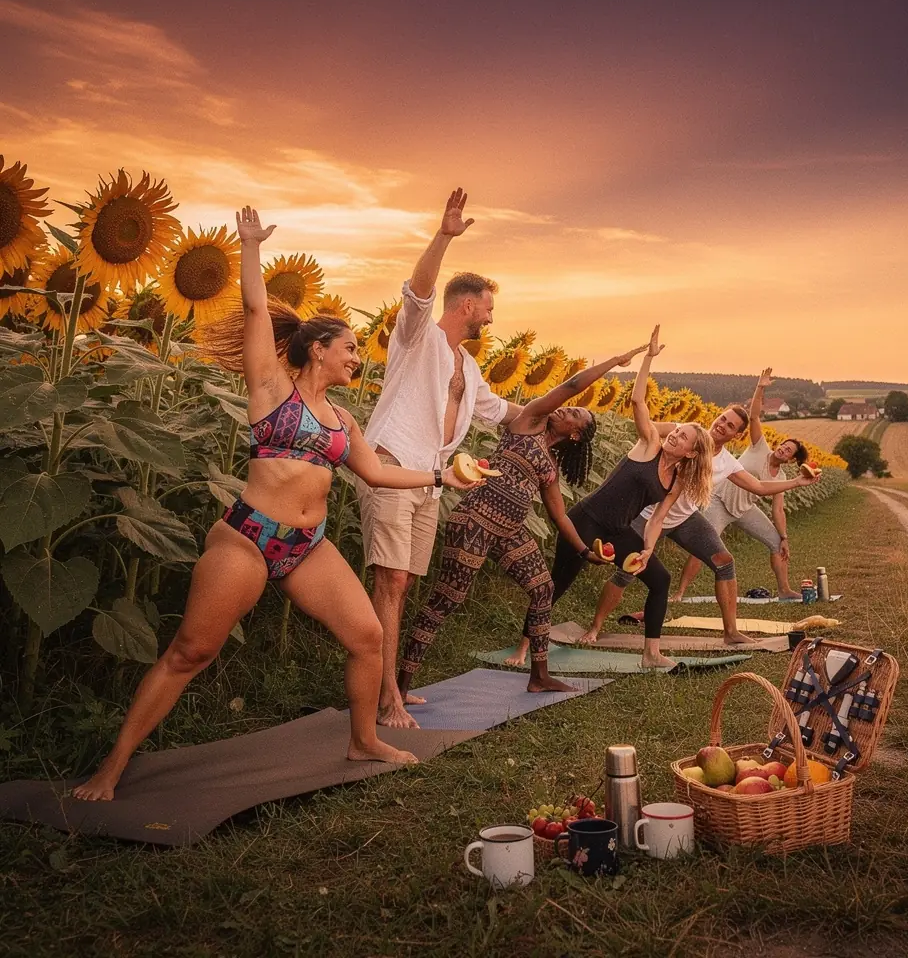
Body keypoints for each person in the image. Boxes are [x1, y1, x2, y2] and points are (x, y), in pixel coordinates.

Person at [72, 207, 478, 802]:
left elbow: (378, 473)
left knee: (367, 636)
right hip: (249, 538)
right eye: (350, 348)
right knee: (192, 651)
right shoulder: (272, 390)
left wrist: (443, 474)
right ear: (316, 349)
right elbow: (259, 310)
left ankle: (362, 740)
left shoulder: (343, 420)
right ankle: (111, 767)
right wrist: (250, 246)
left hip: (307, 548)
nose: (356, 357)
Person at [392, 341, 651, 724]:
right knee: (446, 600)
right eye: (570, 406)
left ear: (576, 435)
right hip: (476, 522)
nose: (565, 408)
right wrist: (615, 361)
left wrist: (584, 552)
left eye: (574, 414)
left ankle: (539, 675)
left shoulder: (548, 465)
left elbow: (560, 517)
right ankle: (398, 688)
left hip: (510, 532)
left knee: (543, 588)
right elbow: (568, 387)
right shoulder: (527, 422)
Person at [357, 189, 523, 728]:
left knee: (401, 583)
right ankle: (387, 700)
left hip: (431, 482)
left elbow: (508, 413)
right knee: (391, 581)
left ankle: (386, 689)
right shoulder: (417, 337)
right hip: (391, 465)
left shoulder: (469, 368)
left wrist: (566, 406)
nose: (492, 319)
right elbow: (419, 290)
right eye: (489, 309)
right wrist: (444, 235)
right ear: (467, 306)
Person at [508, 326, 716, 670]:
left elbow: (657, 519)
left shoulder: (676, 480)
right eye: (676, 431)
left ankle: (651, 653)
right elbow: (638, 401)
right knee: (557, 584)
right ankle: (522, 646)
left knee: (660, 580)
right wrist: (648, 359)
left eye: (683, 438)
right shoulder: (649, 444)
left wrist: (648, 549)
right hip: (585, 520)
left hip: (619, 532)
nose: (675, 437)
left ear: (692, 454)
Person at [582, 377, 819, 646]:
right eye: (722, 418)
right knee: (627, 571)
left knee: (725, 562)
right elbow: (647, 429)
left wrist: (799, 481)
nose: (722, 425)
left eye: (730, 425)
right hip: (648, 517)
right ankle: (595, 628)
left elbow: (760, 487)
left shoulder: (727, 463)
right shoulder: (684, 433)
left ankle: (730, 632)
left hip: (685, 519)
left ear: (737, 435)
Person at [672, 368, 808, 602]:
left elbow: (778, 509)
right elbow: (754, 417)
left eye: (789, 451)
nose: (783, 449)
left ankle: (785, 590)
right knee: (703, 545)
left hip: (745, 510)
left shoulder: (781, 477)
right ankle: (679, 593)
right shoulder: (760, 447)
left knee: (776, 542)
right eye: (784, 445)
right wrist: (760, 386)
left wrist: (784, 536)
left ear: (791, 459)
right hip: (719, 503)